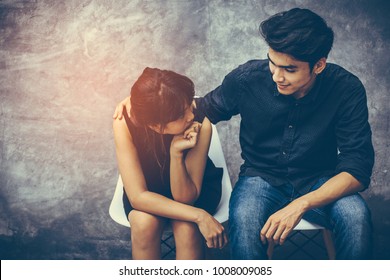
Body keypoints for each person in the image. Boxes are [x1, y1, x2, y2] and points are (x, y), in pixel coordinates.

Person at [113, 8, 374, 260]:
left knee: (356, 216)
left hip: (320, 179)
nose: (277, 76)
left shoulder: (346, 89)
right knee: (245, 220)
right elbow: (199, 108)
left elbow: (358, 168)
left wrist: (302, 204)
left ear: (318, 65)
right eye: (273, 63)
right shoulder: (247, 79)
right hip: (260, 178)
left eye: (289, 69)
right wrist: (139, 104)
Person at [113, 67, 227, 260]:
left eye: (188, 105)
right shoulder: (123, 120)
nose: (190, 116)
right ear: (154, 125)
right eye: (180, 115)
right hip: (147, 191)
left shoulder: (200, 118)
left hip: (194, 190)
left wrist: (176, 154)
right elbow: (138, 197)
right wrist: (201, 216)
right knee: (143, 225)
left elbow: (186, 198)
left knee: (187, 229)